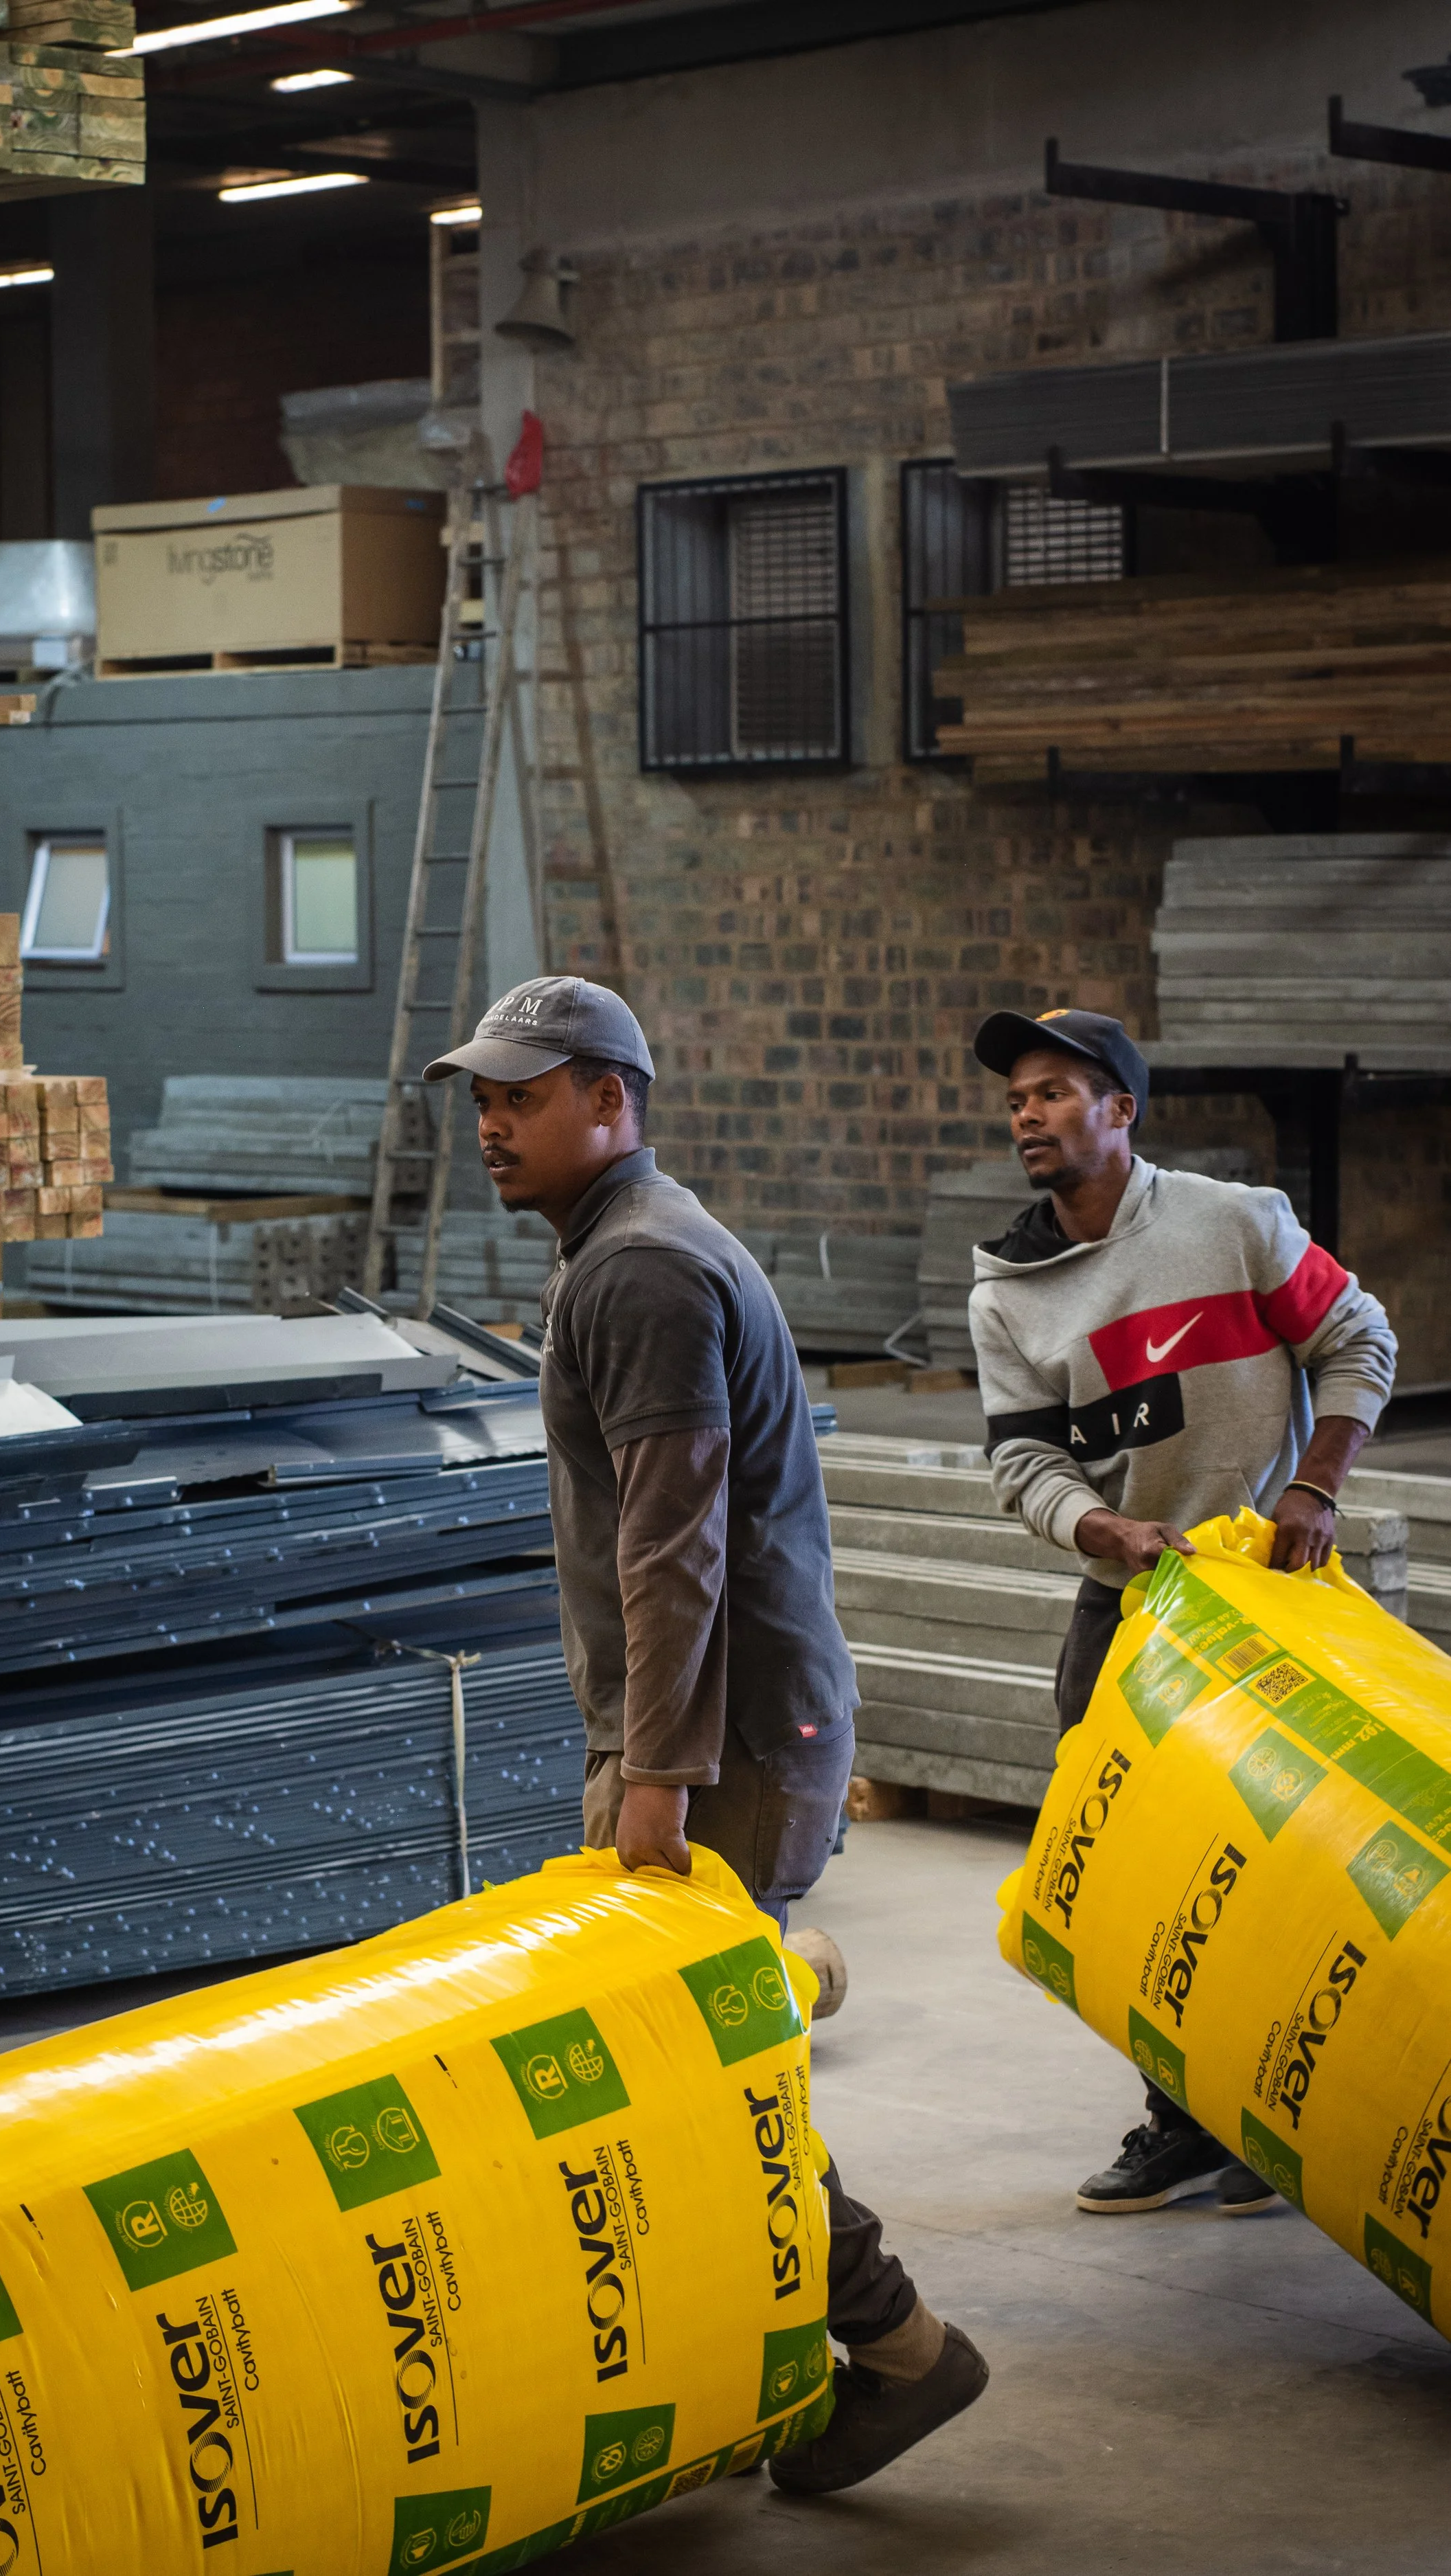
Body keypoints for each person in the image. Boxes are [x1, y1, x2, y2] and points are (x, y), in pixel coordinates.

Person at [422, 974, 988, 2496]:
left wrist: (655, 1781)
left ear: (611, 1098)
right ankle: (750, 2363)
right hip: (724, 1726)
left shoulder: (642, 1272)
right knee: (692, 2070)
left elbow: (676, 1547)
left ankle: (899, 2348)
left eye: (520, 1094)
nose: (489, 1121)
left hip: (722, 1744)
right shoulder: (627, 1249)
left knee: (700, 2077)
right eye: (479, 1094)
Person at [968, 1006, 1397, 2217]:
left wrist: (1314, 1486)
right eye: (1016, 1101)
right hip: (1131, 1609)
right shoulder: (1009, 1289)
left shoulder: (1237, 1223)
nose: (1029, 1116)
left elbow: (1360, 1339)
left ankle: (1279, 2113)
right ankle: (1186, 2117)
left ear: (1122, 1109)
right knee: (1124, 1875)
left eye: (1055, 1091)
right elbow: (1025, 1466)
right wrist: (1100, 1529)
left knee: (1294, 1866)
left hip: (1274, 1600)